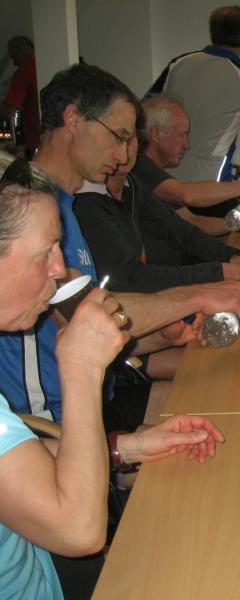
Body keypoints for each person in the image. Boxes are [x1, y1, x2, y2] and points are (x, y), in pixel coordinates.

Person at [0, 163, 224, 598]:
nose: (60, 269)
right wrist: (83, 369)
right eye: (45, 252)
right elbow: (80, 532)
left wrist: (125, 447)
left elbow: (17, 467)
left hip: (44, 566)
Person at [0, 63, 240, 424]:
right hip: (57, 420)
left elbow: (93, 319)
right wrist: (201, 295)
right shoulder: (29, 208)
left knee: (236, 399)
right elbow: (88, 316)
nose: (123, 156)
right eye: (117, 137)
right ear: (73, 118)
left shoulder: (65, 204)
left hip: (102, 393)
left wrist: (162, 334)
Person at [74, 134, 240, 293]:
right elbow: (129, 279)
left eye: (130, 140)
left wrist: (232, 257)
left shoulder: (131, 184)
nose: (123, 152)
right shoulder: (87, 202)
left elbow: (181, 230)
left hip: (163, 287)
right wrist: (218, 272)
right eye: (117, 138)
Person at [149, 4, 240, 210]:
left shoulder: (178, 64)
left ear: (213, 32)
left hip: (164, 183)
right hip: (210, 189)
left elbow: (145, 111)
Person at [136, 95, 240, 236]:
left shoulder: (156, 175)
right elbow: (187, 195)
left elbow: (191, 221)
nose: (187, 145)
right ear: (156, 134)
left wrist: (239, 224)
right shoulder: (139, 166)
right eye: (181, 135)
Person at [1, 36, 39, 157]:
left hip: (34, 138)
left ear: (19, 50)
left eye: (13, 57)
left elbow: (8, 111)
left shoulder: (23, 72)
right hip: (48, 135)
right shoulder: (42, 65)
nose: (13, 62)